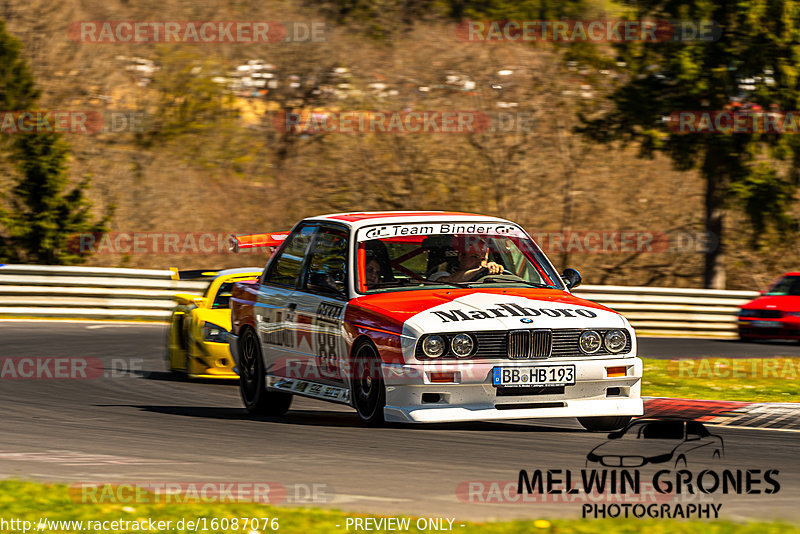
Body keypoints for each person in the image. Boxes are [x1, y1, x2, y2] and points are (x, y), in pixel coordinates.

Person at [429, 236, 503, 283]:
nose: (480, 264)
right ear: (461, 257)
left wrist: (495, 270)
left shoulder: (486, 276)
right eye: (474, 257)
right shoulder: (440, 275)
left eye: (483, 259)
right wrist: (480, 271)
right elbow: (449, 280)